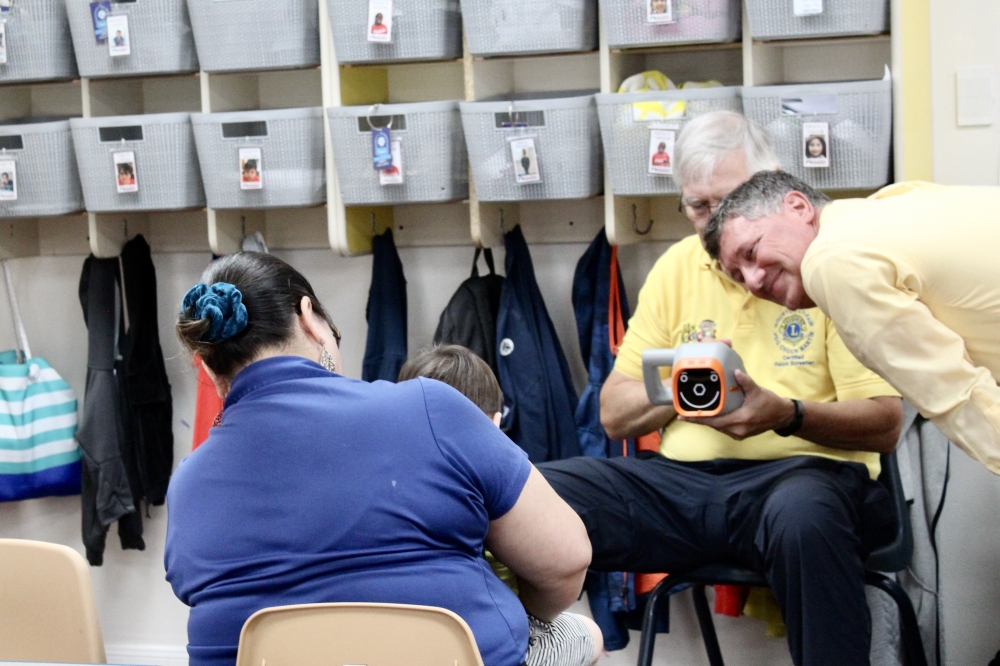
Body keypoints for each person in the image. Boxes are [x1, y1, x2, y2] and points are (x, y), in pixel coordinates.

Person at [538, 111, 903, 666]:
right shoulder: (675, 267)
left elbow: (885, 422)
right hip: (684, 488)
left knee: (802, 515)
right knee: (526, 492)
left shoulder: (827, 264)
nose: (712, 225)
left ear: (772, 188)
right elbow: (613, 413)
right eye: (698, 207)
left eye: (728, 204)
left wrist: (785, 413)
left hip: (802, 480)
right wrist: (680, 379)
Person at [164, 253, 592, 666]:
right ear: (309, 318)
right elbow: (567, 560)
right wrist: (523, 618)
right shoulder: (432, 408)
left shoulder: (188, 484)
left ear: (212, 372)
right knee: (583, 636)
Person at [704, 170, 1000, 474]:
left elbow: (953, 394)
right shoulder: (889, 204)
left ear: (798, 207)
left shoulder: (831, 261)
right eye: (738, 277)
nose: (753, 282)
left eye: (751, 252)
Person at [398, 344, 603, 666]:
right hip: (483, 644)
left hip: (401, 640)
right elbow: (563, 565)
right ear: (494, 423)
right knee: (588, 633)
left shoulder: (387, 485)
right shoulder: (499, 484)